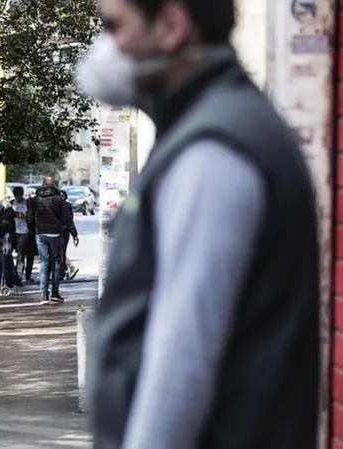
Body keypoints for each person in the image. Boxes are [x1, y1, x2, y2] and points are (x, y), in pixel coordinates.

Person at [78, 1, 319, 449]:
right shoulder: (217, 127)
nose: (103, 47)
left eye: (113, 26)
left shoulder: (212, 151)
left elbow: (180, 367)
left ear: (171, 24)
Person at [27, 177, 78, 304]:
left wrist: (32, 229)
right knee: (56, 263)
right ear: (55, 186)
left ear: (42, 185)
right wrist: (74, 234)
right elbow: (67, 219)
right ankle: (55, 293)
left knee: (44, 262)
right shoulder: (61, 200)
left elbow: (30, 217)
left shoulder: (34, 200)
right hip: (55, 233)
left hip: (40, 233)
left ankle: (44, 294)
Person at [10, 186, 34, 284]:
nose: (17, 198)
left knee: (21, 255)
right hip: (13, 231)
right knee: (11, 255)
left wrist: (21, 215)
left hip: (24, 232)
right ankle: (14, 275)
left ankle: (21, 275)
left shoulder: (27, 203)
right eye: (16, 196)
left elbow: (29, 215)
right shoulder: (11, 203)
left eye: (19, 196)